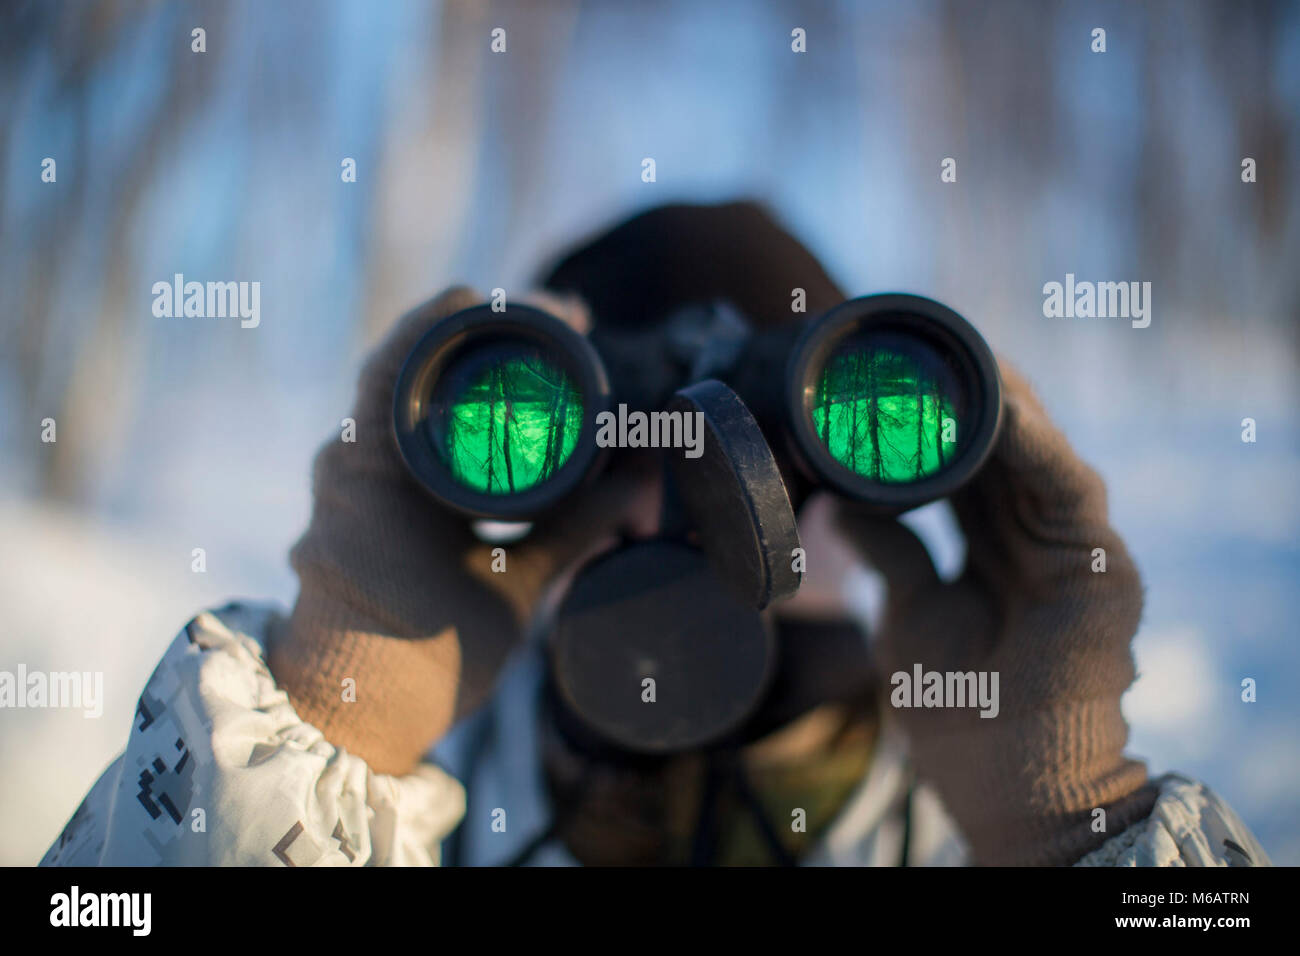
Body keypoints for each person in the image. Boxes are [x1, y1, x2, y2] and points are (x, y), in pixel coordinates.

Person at [41, 203, 1268, 867]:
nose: (678, 500)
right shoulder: (400, 820)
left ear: (884, 488)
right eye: (602, 444)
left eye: (783, 452)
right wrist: (327, 723)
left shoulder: (990, 834)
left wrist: (1074, 826)